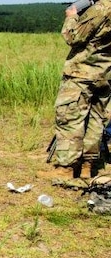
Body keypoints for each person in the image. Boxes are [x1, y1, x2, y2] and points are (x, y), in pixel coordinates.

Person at [43, 0, 111, 182]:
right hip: (105, 74)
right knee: (95, 121)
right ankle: (87, 167)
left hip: (82, 73)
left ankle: (66, 168)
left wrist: (72, 16)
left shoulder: (102, 8)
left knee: (70, 118)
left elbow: (74, 37)